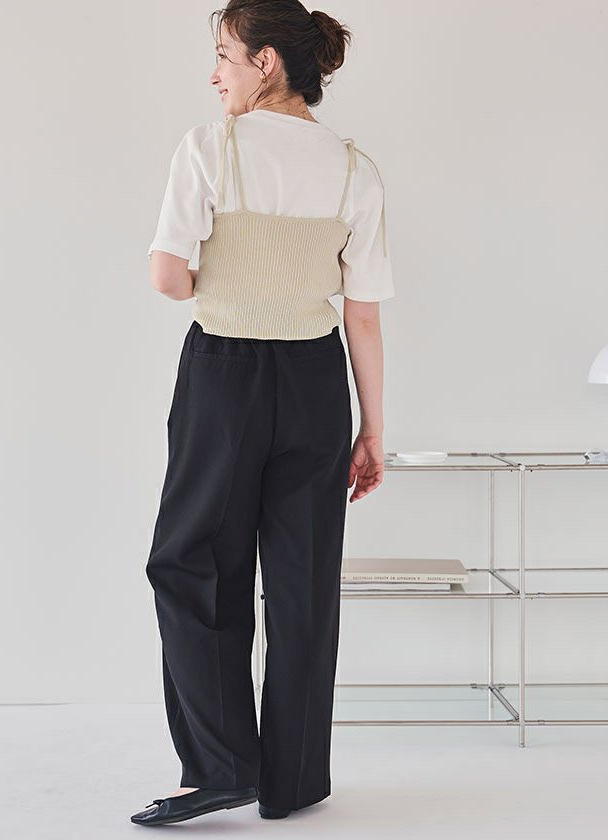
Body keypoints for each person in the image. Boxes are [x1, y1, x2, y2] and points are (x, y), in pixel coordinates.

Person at [132, 0, 394, 827]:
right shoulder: (355, 168)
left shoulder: (210, 147)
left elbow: (169, 279)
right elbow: (362, 314)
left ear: (267, 61)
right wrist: (372, 429)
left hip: (225, 375)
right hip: (317, 381)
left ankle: (219, 768)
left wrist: (222, 273)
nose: (215, 75)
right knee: (303, 578)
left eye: (225, 55)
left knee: (192, 563)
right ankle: (294, 780)